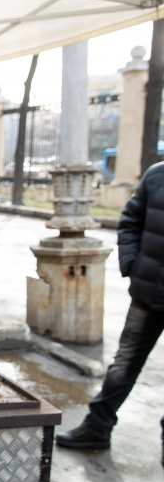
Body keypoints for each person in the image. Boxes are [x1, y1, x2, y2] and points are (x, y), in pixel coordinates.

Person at [56, 161, 164, 464]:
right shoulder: (156, 175)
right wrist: (132, 264)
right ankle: (96, 428)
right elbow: (130, 220)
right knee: (123, 365)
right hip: (148, 292)